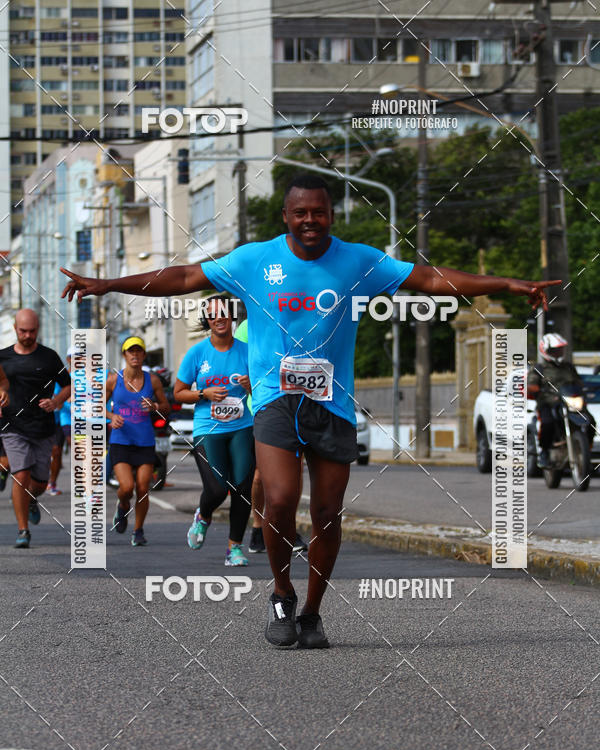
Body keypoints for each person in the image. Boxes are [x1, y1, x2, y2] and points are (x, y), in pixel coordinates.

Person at [61, 174, 558, 648]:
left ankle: (312, 613)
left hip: (332, 404)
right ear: (286, 216)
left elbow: (427, 278)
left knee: (325, 513)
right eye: (300, 212)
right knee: (277, 500)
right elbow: (187, 275)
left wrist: (506, 284)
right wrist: (108, 285)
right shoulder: (254, 260)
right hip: (275, 401)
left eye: (319, 212)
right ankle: (281, 596)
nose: (310, 220)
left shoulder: (359, 260)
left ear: (332, 216)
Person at [173, 297, 254, 566]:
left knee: (242, 488)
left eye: (223, 313)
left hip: (242, 426)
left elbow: (265, 387)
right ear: (207, 321)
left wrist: (251, 385)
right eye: (212, 315)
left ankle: (234, 549)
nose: (219, 318)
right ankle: (203, 516)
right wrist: (203, 393)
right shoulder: (197, 353)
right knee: (218, 490)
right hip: (208, 428)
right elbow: (178, 393)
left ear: (231, 317)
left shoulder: (248, 351)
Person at [234, 316, 307, 555]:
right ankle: (258, 525)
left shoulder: (298, 319)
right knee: (259, 477)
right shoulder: (248, 326)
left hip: (295, 405)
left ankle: (289, 528)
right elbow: (239, 365)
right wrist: (246, 382)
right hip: (261, 408)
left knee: (293, 472)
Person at [0, 309, 70, 548]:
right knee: (20, 475)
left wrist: (57, 401)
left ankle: (32, 499)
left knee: (39, 483)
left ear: (37, 329)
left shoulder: (49, 357)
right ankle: (23, 531)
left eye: (32, 331)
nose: (27, 335)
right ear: (15, 328)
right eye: (23, 331)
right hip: (12, 426)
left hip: (43, 427)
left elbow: (69, 386)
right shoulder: (3, 357)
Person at [106, 336, 170, 546]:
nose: (135, 354)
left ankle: (138, 531)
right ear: (124, 355)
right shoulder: (114, 379)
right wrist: (111, 416)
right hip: (121, 441)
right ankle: (123, 506)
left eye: (138, 351)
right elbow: (97, 405)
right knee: (126, 487)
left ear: (143, 354)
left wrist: (155, 407)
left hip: (144, 441)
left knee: (143, 487)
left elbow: (166, 406)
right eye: (130, 351)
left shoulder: (152, 380)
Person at [528, 333, 584, 468]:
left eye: (560, 349)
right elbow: (531, 384)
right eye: (555, 350)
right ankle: (544, 452)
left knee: (589, 421)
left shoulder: (568, 367)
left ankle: (584, 450)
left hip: (569, 402)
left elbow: (579, 383)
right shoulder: (539, 368)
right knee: (547, 424)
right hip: (548, 403)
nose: (559, 352)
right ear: (546, 351)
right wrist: (537, 389)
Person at [47, 347, 73, 496]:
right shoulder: (61, 377)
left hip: (82, 419)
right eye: (72, 357)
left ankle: (84, 487)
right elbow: (58, 401)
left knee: (79, 451)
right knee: (56, 452)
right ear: (68, 359)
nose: (76, 360)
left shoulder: (89, 378)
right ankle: (51, 483)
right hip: (59, 419)